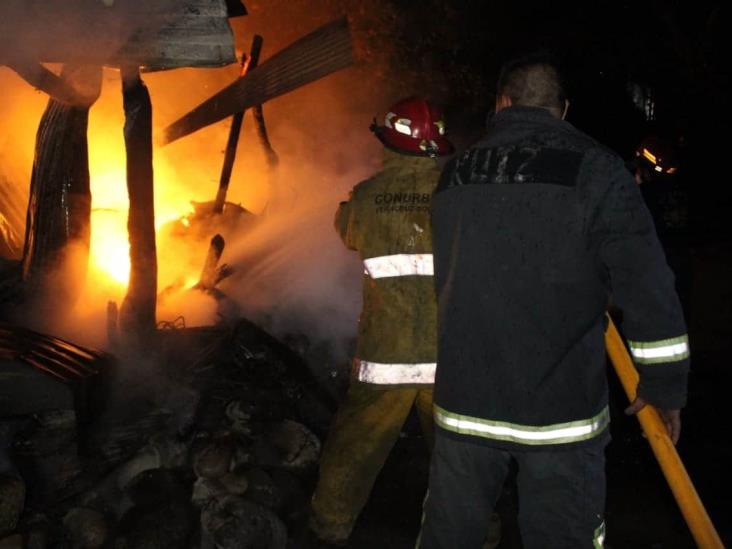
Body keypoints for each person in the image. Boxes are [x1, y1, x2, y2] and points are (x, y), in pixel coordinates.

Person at [417, 54, 690, 548]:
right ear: (562, 110)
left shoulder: (453, 173)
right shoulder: (600, 171)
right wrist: (665, 386)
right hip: (559, 413)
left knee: (448, 537)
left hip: (464, 406)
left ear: (501, 103)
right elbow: (646, 285)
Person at [306, 97, 454, 547]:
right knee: (459, 459)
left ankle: (329, 527)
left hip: (384, 358)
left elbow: (347, 230)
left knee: (353, 448)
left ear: (389, 142)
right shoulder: (458, 192)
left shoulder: (366, 197)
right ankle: (477, 535)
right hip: (447, 358)